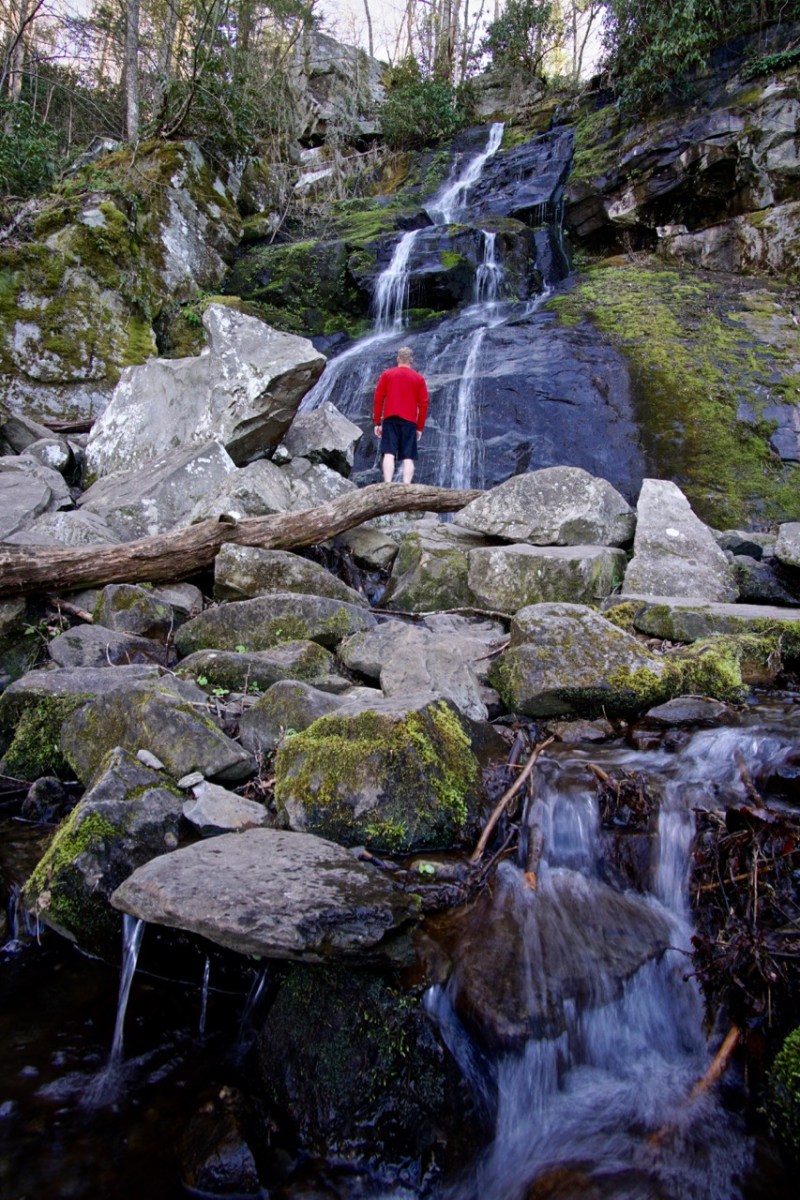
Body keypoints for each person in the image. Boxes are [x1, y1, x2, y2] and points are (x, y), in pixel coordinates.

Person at [373, 346, 429, 483]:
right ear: (411, 361)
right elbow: (423, 405)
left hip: (390, 418)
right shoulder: (419, 379)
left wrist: (377, 422)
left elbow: (378, 398)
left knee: (389, 453)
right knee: (408, 456)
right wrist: (419, 427)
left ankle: (387, 484)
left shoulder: (387, 374)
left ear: (398, 359)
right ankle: (406, 487)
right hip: (409, 421)